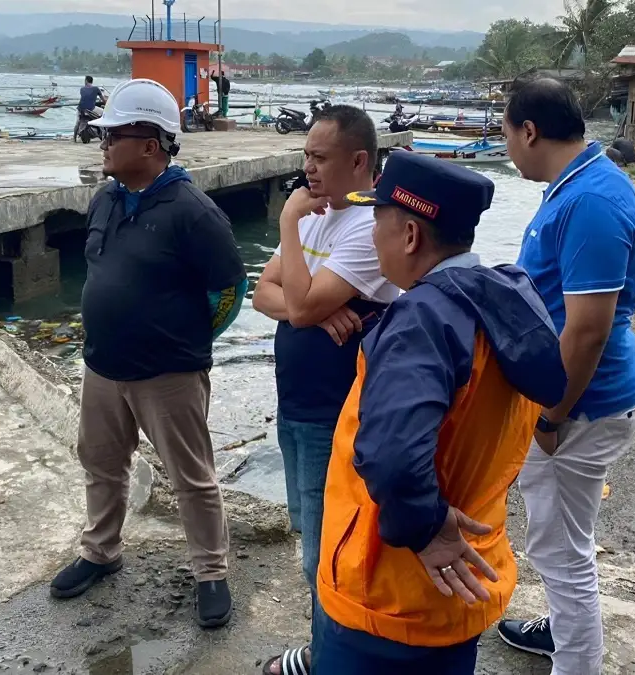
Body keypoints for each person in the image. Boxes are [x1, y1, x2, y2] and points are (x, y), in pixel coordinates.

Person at [308, 150, 567, 674]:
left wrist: (424, 528)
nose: (370, 234)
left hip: (389, 594)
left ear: (409, 235)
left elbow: (391, 456)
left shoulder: (421, 321)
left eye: (376, 220)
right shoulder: (508, 302)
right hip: (462, 584)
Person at [48, 79, 247, 629]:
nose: (102, 141)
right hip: (102, 366)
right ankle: (100, 551)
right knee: (101, 463)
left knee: (192, 477)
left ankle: (210, 570)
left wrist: (181, 340)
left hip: (170, 374)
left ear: (151, 144)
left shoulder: (193, 212)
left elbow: (229, 292)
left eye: (114, 134)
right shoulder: (106, 199)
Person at [496, 77, 635, 675]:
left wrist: (551, 415)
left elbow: (587, 330)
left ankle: (577, 660)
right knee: (559, 539)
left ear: (528, 131)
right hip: (575, 401)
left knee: (561, 553)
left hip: (578, 407)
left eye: (507, 134)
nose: (508, 147)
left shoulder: (590, 202)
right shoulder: (576, 186)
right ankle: (562, 631)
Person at [252, 104, 400, 675]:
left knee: (326, 548)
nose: (308, 168)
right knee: (313, 538)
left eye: (320, 157)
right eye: (305, 156)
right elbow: (261, 289)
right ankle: (333, 651)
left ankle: (329, 660)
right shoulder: (319, 217)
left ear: (359, 161)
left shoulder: (368, 224)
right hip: (296, 406)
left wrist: (288, 226)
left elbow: (305, 301)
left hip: (335, 416)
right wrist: (306, 313)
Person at [76, 75, 103, 141]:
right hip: (91, 109)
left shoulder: (82, 89)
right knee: (103, 113)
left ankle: (74, 138)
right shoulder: (96, 88)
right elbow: (103, 99)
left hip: (80, 109)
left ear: (86, 81)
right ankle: (103, 133)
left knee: (77, 123)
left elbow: (85, 97)